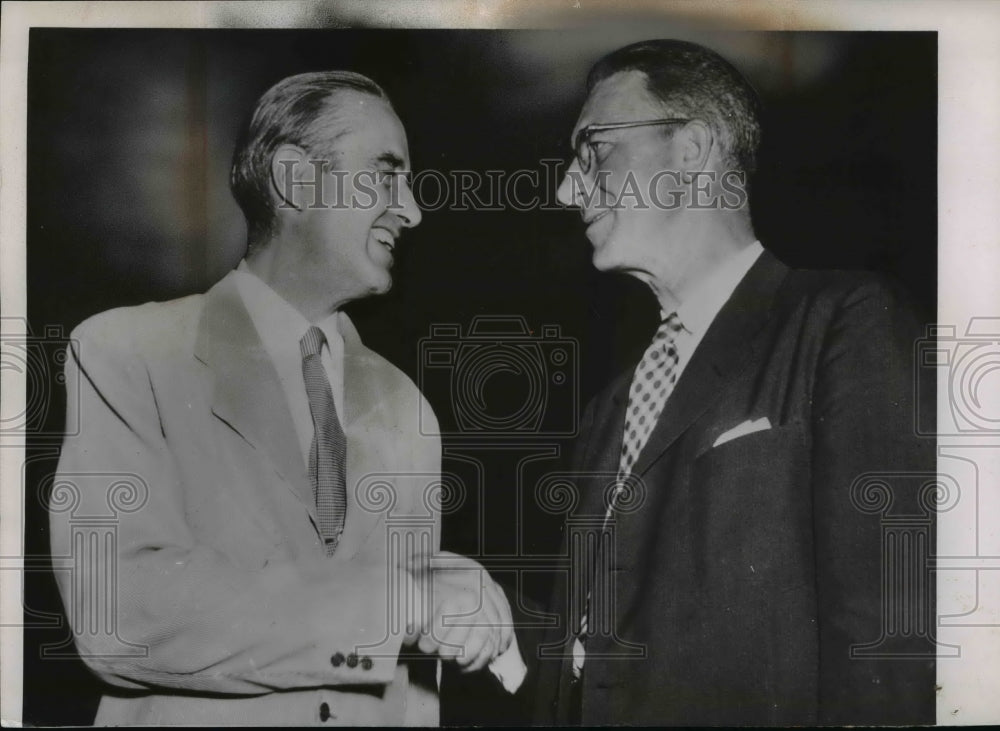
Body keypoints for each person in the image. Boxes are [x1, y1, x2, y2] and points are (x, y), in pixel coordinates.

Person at [49, 71, 515, 726]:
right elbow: (118, 610)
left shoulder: (407, 408)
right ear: (296, 180)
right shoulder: (128, 353)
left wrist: (442, 597)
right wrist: (397, 603)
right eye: (386, 175)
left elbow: (411, 690)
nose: (412, 209)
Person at [528, 39, 936, 725]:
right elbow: (595, 650)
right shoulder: (608, 409)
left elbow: (889, 641)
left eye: (593, 148)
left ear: (693, 149)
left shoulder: (847, 324)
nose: (567, 187)